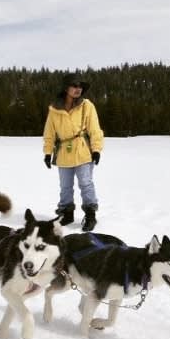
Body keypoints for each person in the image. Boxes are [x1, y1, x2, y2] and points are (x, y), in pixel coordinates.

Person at [42, 73, 104, 231]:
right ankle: (66, 214)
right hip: (63, 152)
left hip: (83, 151)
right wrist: (48, 153)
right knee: (65, 186)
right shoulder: (54, 109)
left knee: (86, 183)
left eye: (80, 86)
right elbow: (49, 133)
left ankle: (90, 214)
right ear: (66, 88)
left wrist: (96, 149)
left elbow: (95, 129)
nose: (78, 89)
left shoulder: (87, 106)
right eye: (74, 85)